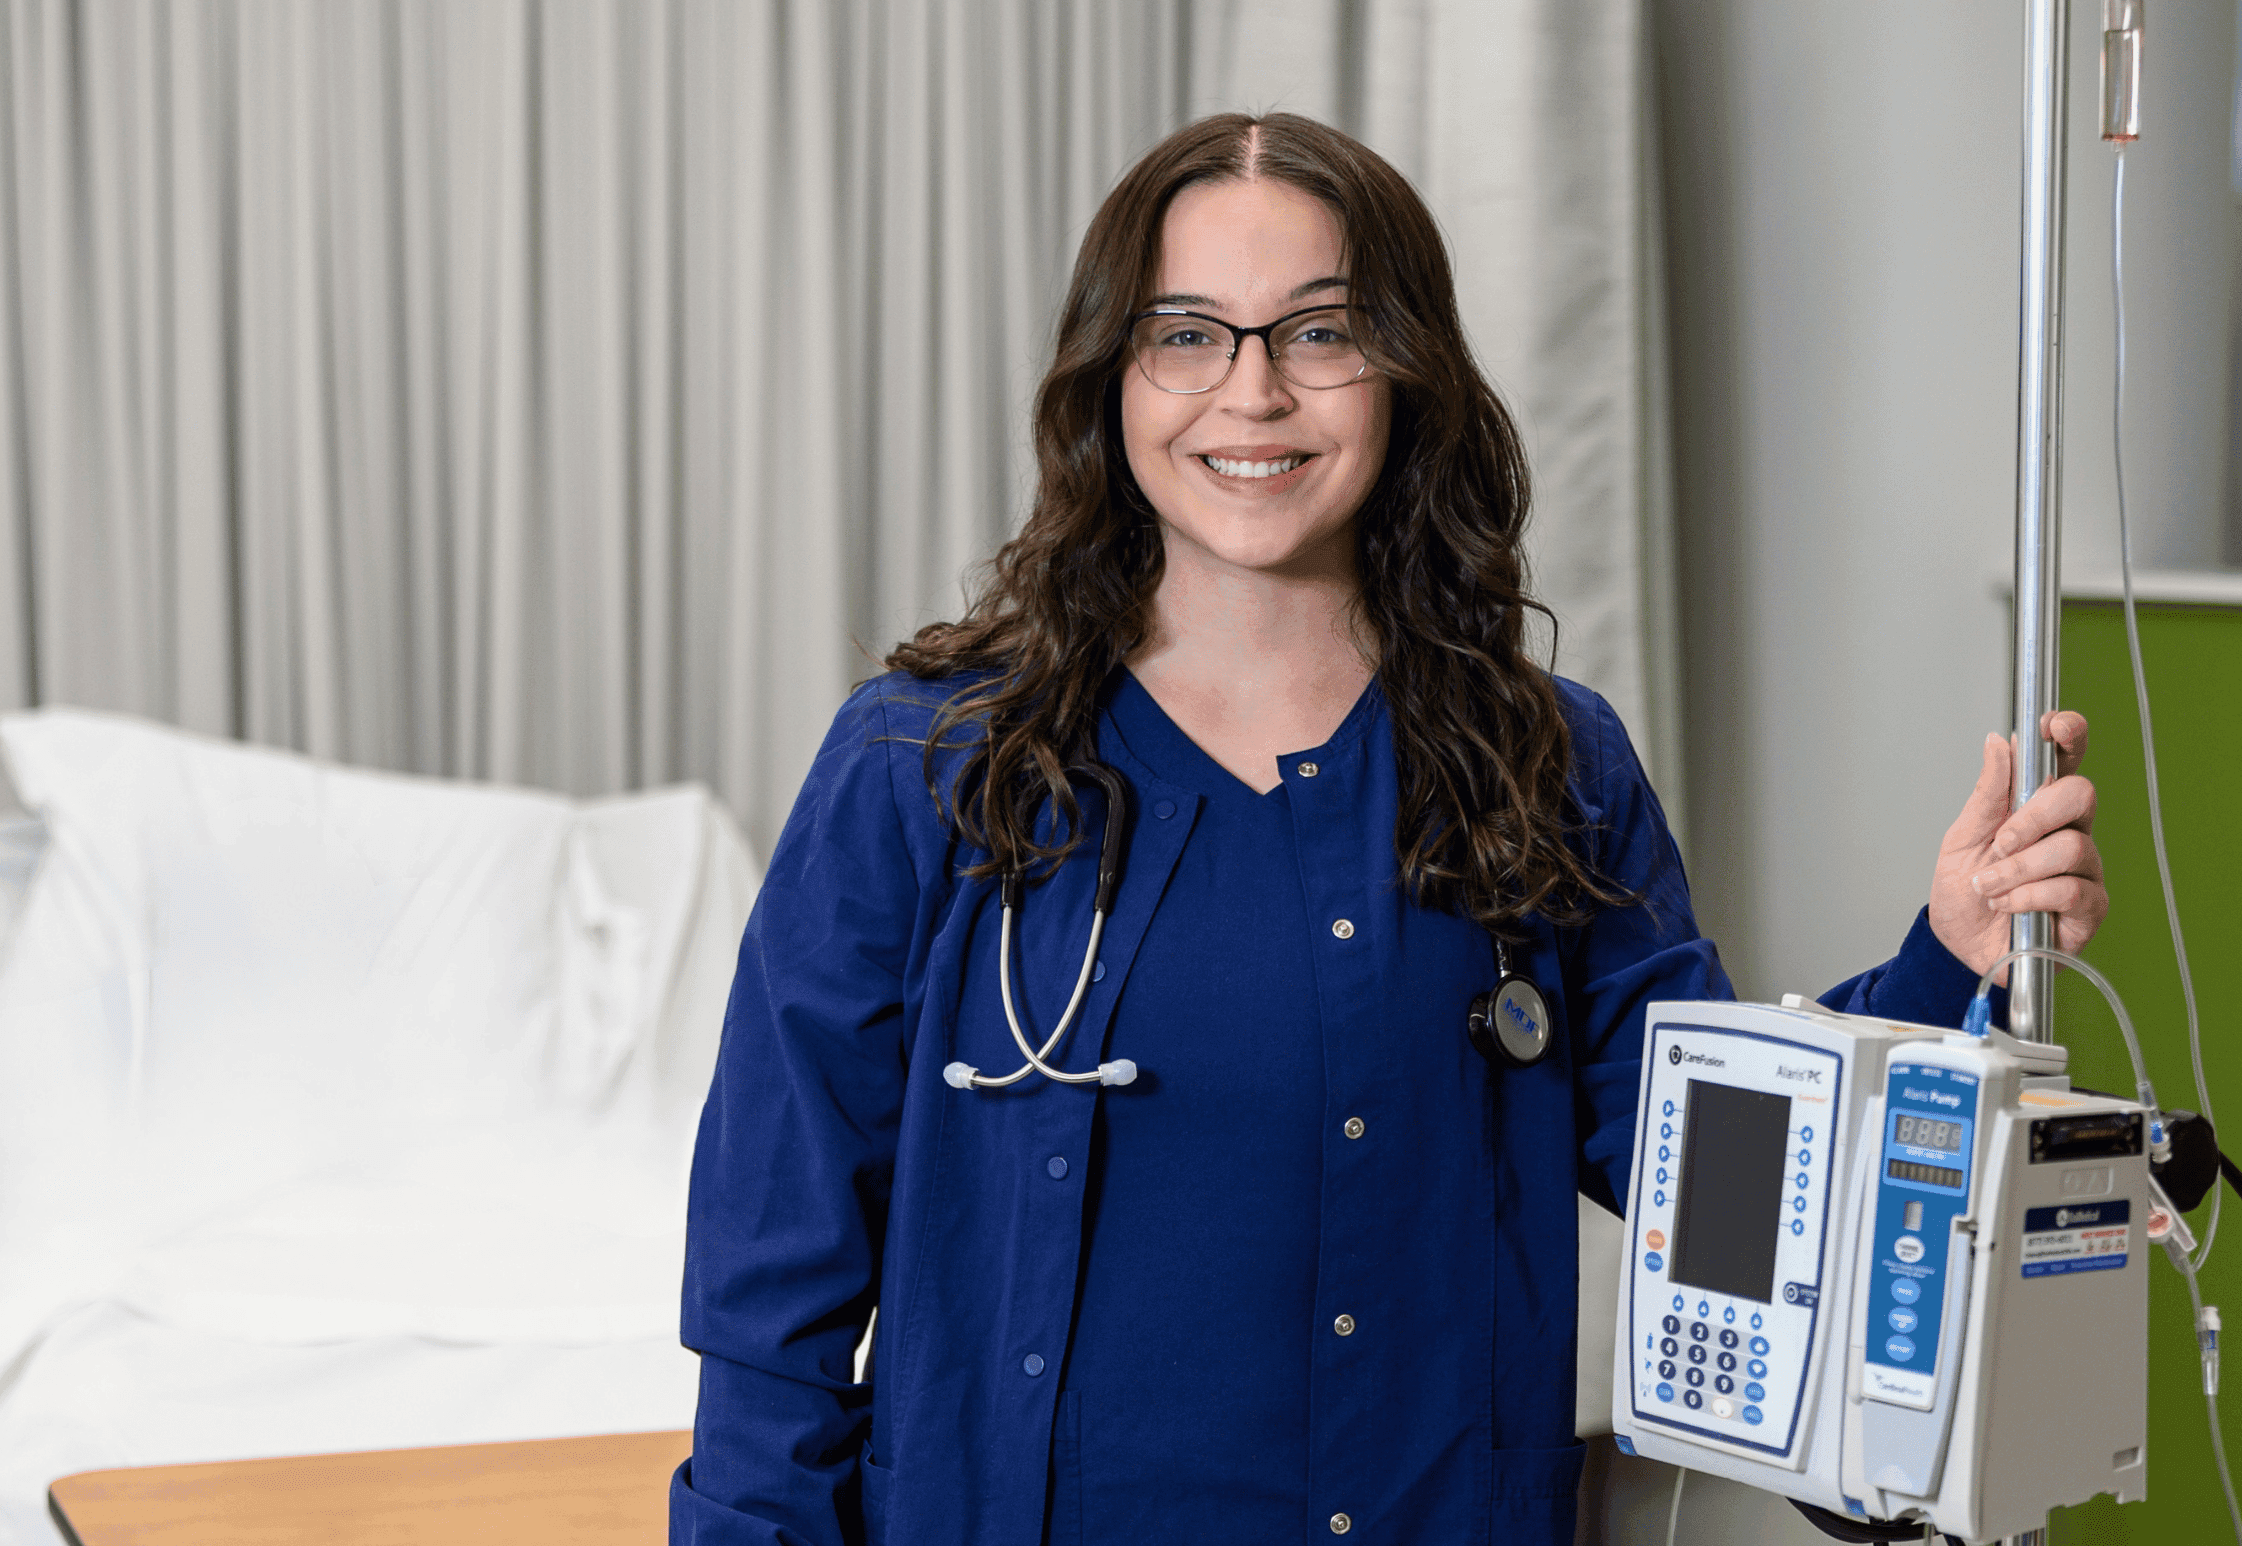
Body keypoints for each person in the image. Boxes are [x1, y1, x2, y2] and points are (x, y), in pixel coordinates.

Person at [669, 113, 2108, 1546]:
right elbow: (774, 1274)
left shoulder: (1539, 761)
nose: (1250, 393)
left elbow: (1706, 1157)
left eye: (1317, 333)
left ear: (1405, 374)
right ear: (1112, 378)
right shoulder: (924, 761)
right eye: (1187, 334)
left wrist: (1944, 954)